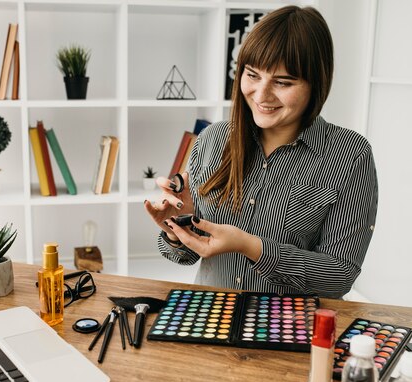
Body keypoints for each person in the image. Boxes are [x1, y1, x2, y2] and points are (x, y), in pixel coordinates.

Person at [143, 5, 378, 299]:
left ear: (316, 83)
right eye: (252, 75)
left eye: (282, 82)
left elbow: (338, 277)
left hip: (288, 331)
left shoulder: (350, 156)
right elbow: (185, 256)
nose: (261, 94)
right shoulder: (212, 139)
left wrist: (249, 245)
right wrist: (178, 225)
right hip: (212, 318)